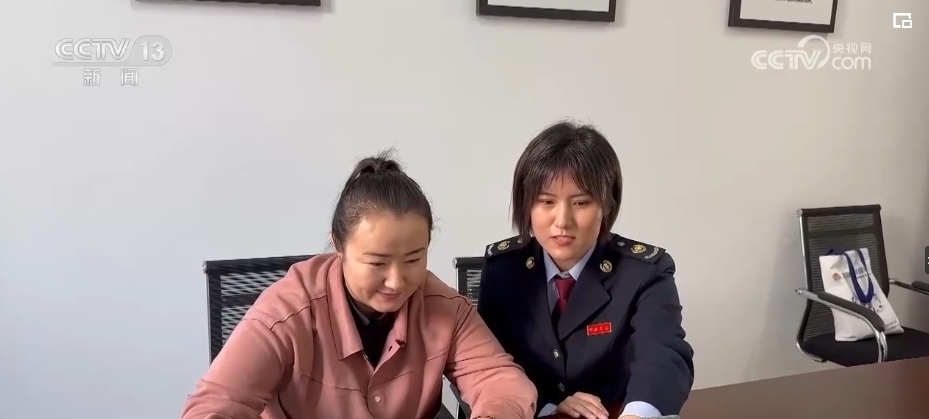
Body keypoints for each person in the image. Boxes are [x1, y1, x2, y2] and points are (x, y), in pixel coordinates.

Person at [181, 151, 538, 419]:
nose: (397, 281)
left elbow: (501, 381)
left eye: (414, 259)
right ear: (338, 246)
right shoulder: (287, 311)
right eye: (377, 263)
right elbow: (214, 405)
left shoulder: (444, 308)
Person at [476, 121, 695, 419]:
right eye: (546, 201)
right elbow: (487, 366)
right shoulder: (503, 269)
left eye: (580, 202)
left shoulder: (644, 271)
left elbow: (663, 355)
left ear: (607, 204)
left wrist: (638, 414)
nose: (562, 221)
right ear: (526, 204)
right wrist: (549, 405)